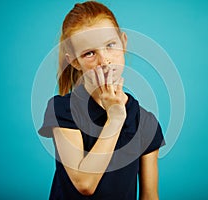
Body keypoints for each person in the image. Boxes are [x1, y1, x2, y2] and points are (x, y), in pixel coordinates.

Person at [38, 1, 165, 199]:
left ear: (123, 42)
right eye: (89, 53)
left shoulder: (146, 122)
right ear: (74, 61)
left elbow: (150, 196)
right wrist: (114, 119)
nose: (104, 61)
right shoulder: (62, 109)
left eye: (110, 46)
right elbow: (85, 184)